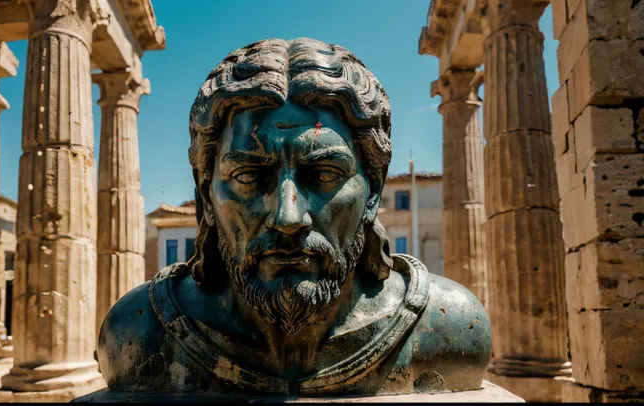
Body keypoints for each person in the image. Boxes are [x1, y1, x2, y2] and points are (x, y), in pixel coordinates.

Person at [96, 38, 491, 398]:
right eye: (249, 177)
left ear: (372, 191)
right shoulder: (138, 334)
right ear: (205, 195)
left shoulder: (452, 330)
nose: (287, 217)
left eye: (322, 175)